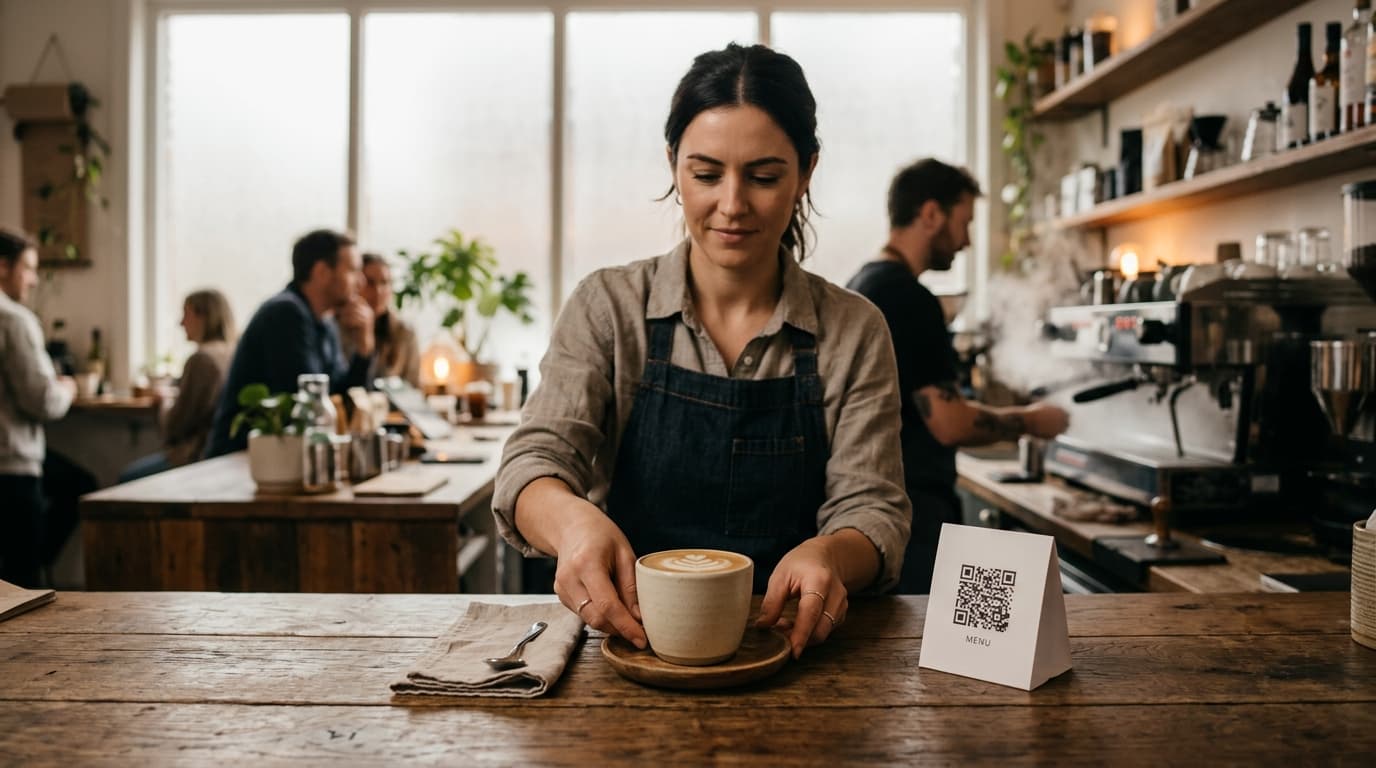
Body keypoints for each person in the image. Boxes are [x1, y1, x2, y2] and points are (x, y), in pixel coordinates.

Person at [494, 43, 911, 659]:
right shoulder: (609, 306)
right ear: (673, 165)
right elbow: (533, 463)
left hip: (797, 652)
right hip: (632, 647)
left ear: (806, 172)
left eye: (764, 176)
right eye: (706, 173)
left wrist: (831, 552)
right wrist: (574, 522)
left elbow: (873, 509)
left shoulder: (854, 329)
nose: (733, 204)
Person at [845, 158, 1070, 594]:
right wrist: (1033, 421)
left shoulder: (864, 283)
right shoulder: (909, 298)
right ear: (931, 215)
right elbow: (949, 423)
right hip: (914, 510)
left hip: (878, 510)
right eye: (964, 222)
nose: (966, 242)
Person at [204, 229, 375, 457]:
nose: (361, 281)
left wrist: (364, 349)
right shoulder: (285, 313)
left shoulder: (324, 322)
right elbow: (307, 406)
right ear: (322, 272)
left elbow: (342, 401)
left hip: (281, 458)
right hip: (242, 460)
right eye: (353, 270)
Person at [0, 227, 76, 586]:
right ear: (3, 266)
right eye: (27, 268)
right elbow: (41, 401)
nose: (32, 280)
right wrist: (68, 390)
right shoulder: (13, 320)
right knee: (21, 584)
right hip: (11, 465)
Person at [120, 289, 236, 481]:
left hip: (196, 456)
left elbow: (174, 427)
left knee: (126, 479)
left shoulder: (202, 359)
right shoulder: (232, 353)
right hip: (220, 456)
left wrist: (165, 401)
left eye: (186, 314)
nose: (181, 323)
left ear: (203, 316)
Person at [351, 253, 419, 387]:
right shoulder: (338, 326)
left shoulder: (404, 331)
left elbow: (413, 386)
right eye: (370, 283)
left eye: (384, 283)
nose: (378, 291)